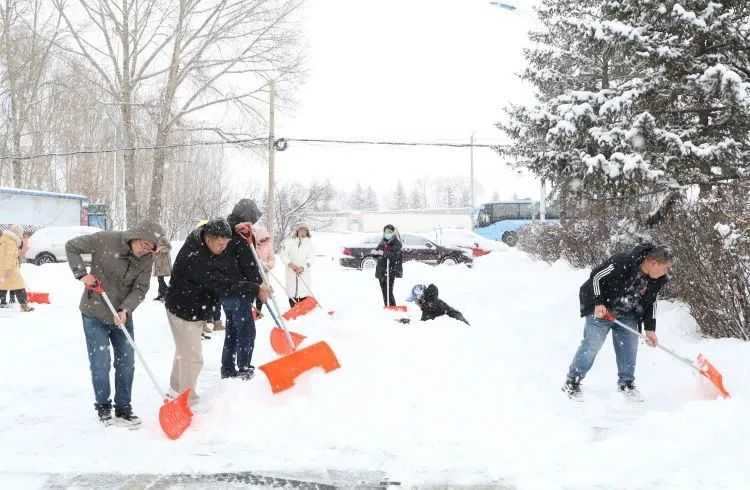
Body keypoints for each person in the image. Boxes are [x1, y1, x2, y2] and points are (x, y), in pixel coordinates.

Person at [66, 221, 163, 426]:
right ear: (135, 235)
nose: (144, 250)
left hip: (121, 315)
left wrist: (126, 309)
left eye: (150, 248)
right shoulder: (106, 239)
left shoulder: (147, 260)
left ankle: (123, 408)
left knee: (126, 363)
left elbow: (140, 289)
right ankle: (103, 407)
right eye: (143, 245)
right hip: (94, 312)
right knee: (100, 363)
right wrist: (82, 274)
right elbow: (71, 246)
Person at [165, 219, 268, 403]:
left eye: (226, 244)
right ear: (210, 238)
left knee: (185, 353)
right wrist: (254, 288)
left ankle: (175, 392)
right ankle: (187, 401)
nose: (223, 248)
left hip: (192, 307)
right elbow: (221, 283)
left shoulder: (205, 242)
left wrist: (236, 225)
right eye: (221, 244)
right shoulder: (196, 257)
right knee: (193, 358)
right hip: (184, 309)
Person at [562, 243, 673, 401]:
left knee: (629, 346)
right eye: (665, 268)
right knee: (593, 343)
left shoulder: (658, 279)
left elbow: (651, 302)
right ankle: (572, 382)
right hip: (602, 308)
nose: (666, 272)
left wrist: (650, 329)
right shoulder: (623, 262)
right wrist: (599, 302)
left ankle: (626, 384)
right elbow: (596, 276)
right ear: (653, 263)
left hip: (627, 312)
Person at [221, 199, 266, 379]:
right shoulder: (240, 236)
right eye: (252, 219)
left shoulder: (225, 231)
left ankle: (228, 369)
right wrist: (259, 286)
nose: (253, 223)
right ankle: (244, 368)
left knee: (232, 331)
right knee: (246, 331)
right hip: (240, 291)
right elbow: (249, 266)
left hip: (226, 291)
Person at [0, 226, 33, 312]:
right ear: (17, 233)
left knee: (3, 287)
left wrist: (22, 251)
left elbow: (12, 254)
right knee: (20, 286)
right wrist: (8, 270)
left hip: (5, 269)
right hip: (10, 270)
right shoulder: (11, 242)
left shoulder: (6, 240)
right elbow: (9, 257)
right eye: (21, 234)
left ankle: (24, 306)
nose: (21, 236)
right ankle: (24, 306)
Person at [280, 224, 314, 308]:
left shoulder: (310, 243)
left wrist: (303, 267)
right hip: (291, 271)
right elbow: (283, 255)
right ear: (297, 231)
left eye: (304, 230)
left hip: (303, 272)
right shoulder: (289, 242)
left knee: (303, 292)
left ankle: (302, 310)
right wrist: (290, 264)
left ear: (307, 232)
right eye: (300, 230)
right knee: (292, 292)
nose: (302, 232)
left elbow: (311, 258)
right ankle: (293, 310)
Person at [373, 224, 403, 307]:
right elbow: (377, 251)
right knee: (384, 291)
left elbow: (395, 255)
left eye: (389, 232)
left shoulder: (396, 243)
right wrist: (375, 253)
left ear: (393, 233)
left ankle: (392, 307)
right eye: (386, 232)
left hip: (390, 270)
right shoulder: (382, 241)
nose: (387, 233)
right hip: (381, 270)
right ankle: (387, 306)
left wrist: (384, 253)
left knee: (388, 291)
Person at [252, 224, 276, 318]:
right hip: (253, 272)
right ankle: (251, 311)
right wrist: (257, 263)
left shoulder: (268, 245)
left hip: (264, 272)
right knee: (253, 291)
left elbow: (272, 259)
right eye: (262, 239)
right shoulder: (253, 246)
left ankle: (258, 312)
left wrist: (268, 265)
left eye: (265, 239)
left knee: (261, 292)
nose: (263, 241)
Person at [152, 236, 172, 302]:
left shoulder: (163, 238)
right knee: (160, 279)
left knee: (160, 279)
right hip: (158, 263)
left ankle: (167, 294)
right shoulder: (155, 239)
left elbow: (169, 247)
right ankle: (161, 295)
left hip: (164, 263)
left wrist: (160, 249)